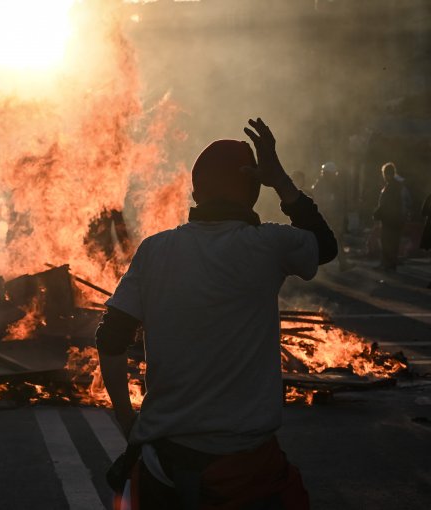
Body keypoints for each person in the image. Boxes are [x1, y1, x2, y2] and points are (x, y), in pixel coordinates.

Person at [97, 119, 336, 509]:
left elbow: (109, 338)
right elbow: (324, 246)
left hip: (164, 464)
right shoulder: (270, 245)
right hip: (248, 468)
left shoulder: (156, 250)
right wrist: (281, 181)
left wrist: (127, 422)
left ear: (195, 191)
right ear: (253, 195)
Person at [312, 161, 351, 270]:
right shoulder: (320, 186)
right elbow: (323, 203)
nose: (334, 176)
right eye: (332, 174)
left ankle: (343, 263)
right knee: (325, 240)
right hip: (325, 217)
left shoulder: (331, 185)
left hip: (331, 217)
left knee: (336, 239)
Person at [373, 162, 407, 271]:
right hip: (395, 219)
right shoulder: (396, 186)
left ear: (387, 174)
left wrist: (377, 213)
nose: (384, 177)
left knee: (387, 242)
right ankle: (390, 264)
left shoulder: (391, 187)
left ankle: (387, 263)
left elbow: (386, 205)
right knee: (393, 242)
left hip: (390, 220)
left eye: (384, 174)